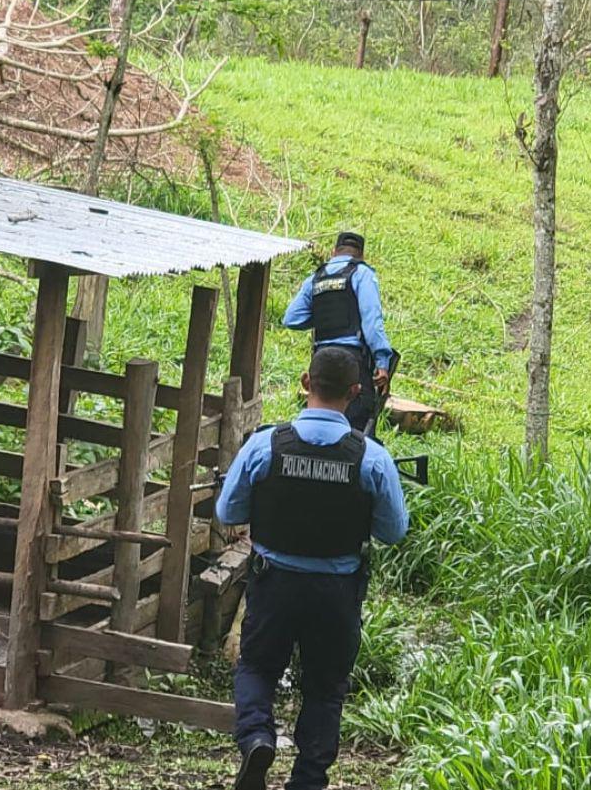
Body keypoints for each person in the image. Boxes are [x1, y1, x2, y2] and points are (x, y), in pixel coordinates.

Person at [216, 347, 409, 790]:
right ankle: (307, 779)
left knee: (257, 668)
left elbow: (228, 512)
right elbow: (393, 531)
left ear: (306, 382)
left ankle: (257, 738)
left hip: (274, 583)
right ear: (355, 392)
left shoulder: (265, 445)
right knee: (325, 688)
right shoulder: (371, 458)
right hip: (337, 591)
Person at [282, 231, 393, 434]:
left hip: (321, 361)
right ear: (361, 255)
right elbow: (372, 322)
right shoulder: (362, 273)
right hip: (352, 362)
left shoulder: (316, 277)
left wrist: (327, 316)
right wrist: (382, 362)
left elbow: (291, 318)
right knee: (356, 432)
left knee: (318, 424)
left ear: (334, 252)